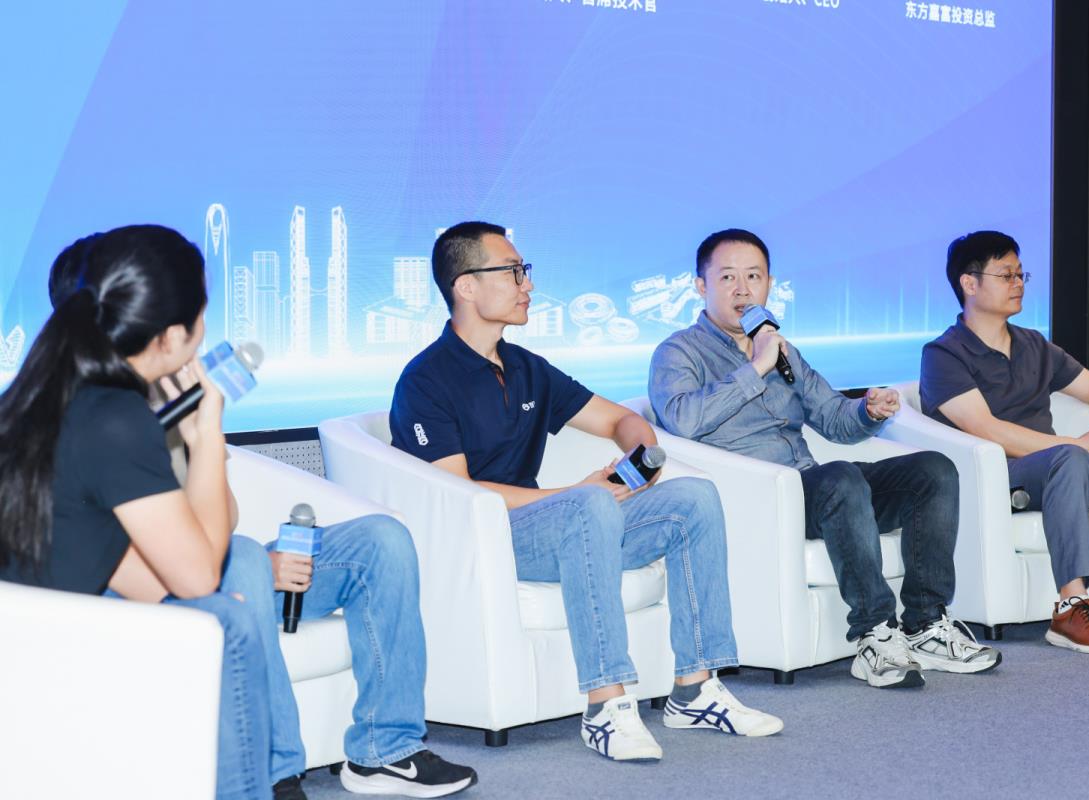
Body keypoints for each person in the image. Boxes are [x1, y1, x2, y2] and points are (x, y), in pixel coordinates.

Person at [46, 235, 477, 799]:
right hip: (147, 590)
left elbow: (221, 516)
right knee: (246, 558)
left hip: (199, 565)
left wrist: (203, 435)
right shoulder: (101, 419)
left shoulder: (164, 399)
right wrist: (248, 562)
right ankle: (274, 776)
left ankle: (385, 749)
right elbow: (164, 571)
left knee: (380, 540)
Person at [390, 221, 783, 762]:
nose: (528, 284)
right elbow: (456, 491)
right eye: (513, 272)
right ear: (466, 286)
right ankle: (605, 704)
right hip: (487, 537)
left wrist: (641, 459)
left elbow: (619, 419)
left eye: (524, 271)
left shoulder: (526, 368)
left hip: (568, 525)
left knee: (693, 498)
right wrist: (575, 493)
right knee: (589, 503)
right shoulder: (426, 380)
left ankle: (695, 690)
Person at [649, 228, 1000, 689]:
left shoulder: (783, 351)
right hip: (754, 499)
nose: (742, 290)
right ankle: (875, 633)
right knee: (839, 480)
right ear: (701, 286)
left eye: (754, 276)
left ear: (769, 284)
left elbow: (834, 418)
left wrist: (868, 411)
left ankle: (925, 624)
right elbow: (681, 420)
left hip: (816, 491)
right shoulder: (678, 352)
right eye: (728, 277)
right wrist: (755, 367)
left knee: (932, 470)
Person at [0, 225, 271, 798]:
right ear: (171, 337)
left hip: (24, 640)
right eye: (202, 314)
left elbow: (118, 563)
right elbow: (198, 576)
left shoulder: (41, 396)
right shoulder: (116, 418)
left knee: (218, 612)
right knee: (226, 623)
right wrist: (205, 434)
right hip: (49, 658)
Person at [921, 230, 1089, 653]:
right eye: (1006, 275)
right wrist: (1078, 444)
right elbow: (986, 429)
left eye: (1021, 274)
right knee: (1068, 456)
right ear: (969, 283)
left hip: (1060, 470)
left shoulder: (1033, 344)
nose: (1018, 283)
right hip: (1002, 478)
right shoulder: (944, 354)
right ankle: (1072, 606)